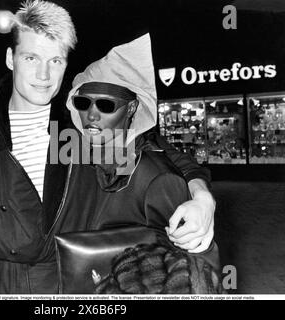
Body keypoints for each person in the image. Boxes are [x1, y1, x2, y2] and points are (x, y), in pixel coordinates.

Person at [0, 0, 214, 294]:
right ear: (10, 58)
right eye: (31, 58)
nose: (44, 76)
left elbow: (156, 150)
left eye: (55, 61)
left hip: (79, 288)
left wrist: (202, 198)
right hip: (4, 285)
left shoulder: (80, 124)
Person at [57, 33, 221, 293]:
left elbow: (195, 270)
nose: (91, 114)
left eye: (106, 104)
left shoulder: (152, 170)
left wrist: (202, 198)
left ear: (132, 109)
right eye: (82, 102)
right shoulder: (68, 150)